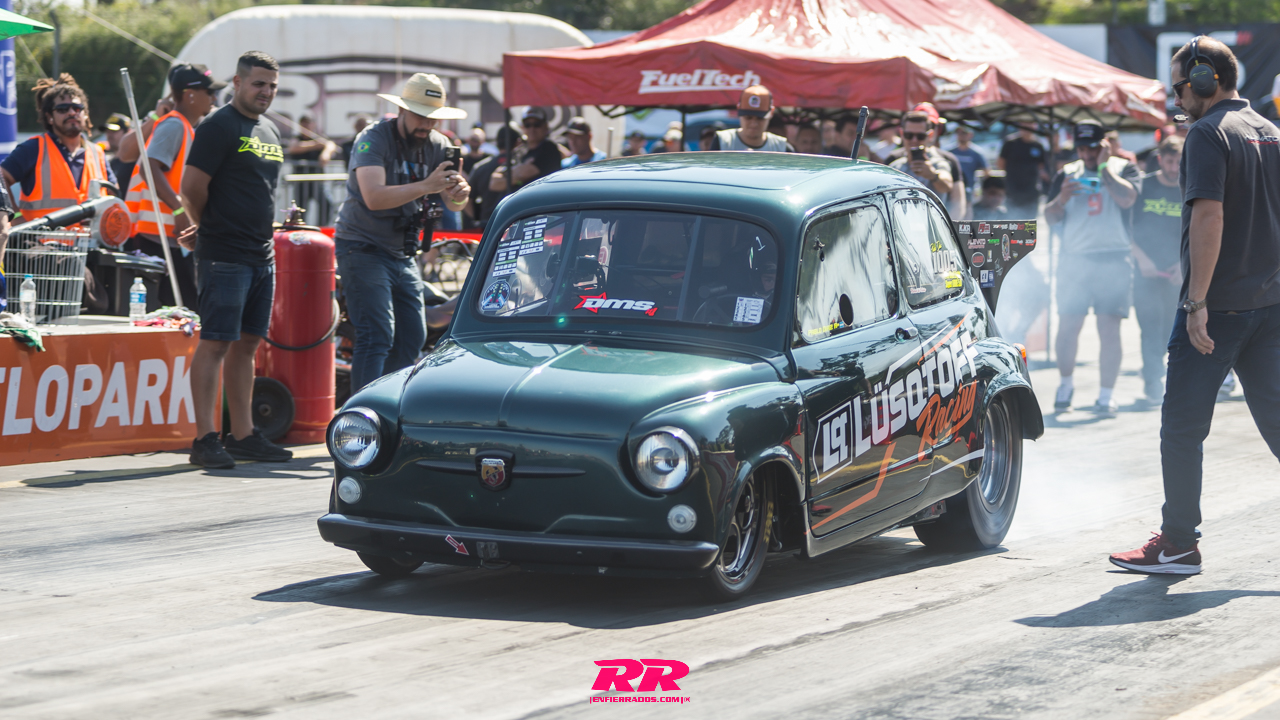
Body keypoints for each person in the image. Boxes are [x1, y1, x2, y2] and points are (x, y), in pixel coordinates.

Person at [1110, 38, 1280, 574]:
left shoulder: (1208, 133)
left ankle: (1179, 544)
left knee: (1182, 428)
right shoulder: (1269, 131)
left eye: (1180, 86)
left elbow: (1209, 216)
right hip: (1269, 306)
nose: (1177, 98)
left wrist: (1197, 301)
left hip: (1220, 308)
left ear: (1205, 79)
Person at [178, 51, 289, 468]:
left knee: (247, 346)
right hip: (224, 255)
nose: (266, 92)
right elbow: (191, 188)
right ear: (238, 83)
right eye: (259, 83)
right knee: (216, 343)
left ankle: (243, 435)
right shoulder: (217, 125)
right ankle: (205, 438)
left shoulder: (271, 130)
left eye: (272, 85)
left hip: (262, 254)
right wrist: (208, 226)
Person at [335, 73, 470, 394]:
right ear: (402, 110)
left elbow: (454, 203)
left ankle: (389, 405)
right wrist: (427, 186)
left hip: (403, 252)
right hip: (362, 246)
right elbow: (373, 197)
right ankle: (363, 414)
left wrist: (460, 193)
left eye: (433, 117)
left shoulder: (439, 145)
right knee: (376, 334)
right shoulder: (374, 138)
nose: (427, 124)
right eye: (420, 115)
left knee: (413, 335)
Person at [1044, 120, 1140, 417]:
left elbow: (1128, 200)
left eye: (1093, 148)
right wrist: (1062, 198)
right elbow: (1049, 217)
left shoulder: (1123, 168)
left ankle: (1106, 395)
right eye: (1082, 148)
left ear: (1104, 146)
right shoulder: (1067, 173)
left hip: (1114, 257)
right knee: (1068, 325)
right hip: (1075, 259)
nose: (1087, 154)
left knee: (1109, 329)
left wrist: (1104, 169)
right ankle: (1065, 385)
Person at [124, 63, 223, 308]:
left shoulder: (185, 127)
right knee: (180, 311)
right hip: (156, 240)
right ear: (189, 95)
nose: (214, 98)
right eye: (209, 92)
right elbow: (149, 167)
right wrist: (179, 210)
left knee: (184, 310)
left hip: (169, 238)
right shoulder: (174, 125)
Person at [1, 74, 117, 223]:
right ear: (49, 117)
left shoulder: (97, 153)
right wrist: (15, 217)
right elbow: (1, 177)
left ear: (85, 115)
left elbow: (114, 196)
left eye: (77, 108)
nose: (72, 112)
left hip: (90, 238)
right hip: (41, 238)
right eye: (63, 109)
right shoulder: (34, 148)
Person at [1130, 135, 1184, 406]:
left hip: (1178, 274)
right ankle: (1152, 382)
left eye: (1179, 162)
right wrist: (1142, 260)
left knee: (1170, 331)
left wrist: (1185, 264)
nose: (1174, 168)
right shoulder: (1143, 186)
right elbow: (1126, 228)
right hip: (1145, 273)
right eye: (1170, 161)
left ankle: (1158, 374)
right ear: (1160, 160)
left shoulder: (1189, 186)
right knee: (1150, 328)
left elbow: (1198, 232)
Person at [889, 111, 956, 210]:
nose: (914, 140)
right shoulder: (895, 167)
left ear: (930, 136)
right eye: (909, 135)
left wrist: (933, 175)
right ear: (902, 134)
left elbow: (947, 186)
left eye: (920, 136)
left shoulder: (938, 163)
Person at [467, 124, 520, 229]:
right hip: (516, 223)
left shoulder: (480, 167)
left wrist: (476, 219)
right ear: (518, 142)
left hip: (488, 225)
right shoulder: (522, 166)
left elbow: (467, 198)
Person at [287, 115, 337, 224]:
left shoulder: (318, 137)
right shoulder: (297, 138)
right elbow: (293, 148)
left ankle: (322, 227)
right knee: (301, 209)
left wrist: (326, 154)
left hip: (317, 181)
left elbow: (331, 145)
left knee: (326, 204)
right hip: (301, 182)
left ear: (313, 124)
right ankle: (301, 228)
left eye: (308, 123)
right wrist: (315, 145)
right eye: (303, 123)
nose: (306, 125)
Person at [711, 86, 793, 152]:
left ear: (771, 113)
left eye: (760, 118)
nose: (754, 123)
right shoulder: (722, 142)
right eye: (748, 118)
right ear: (738, 109)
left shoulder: (782, 148)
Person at [999, 124, 1050, 219]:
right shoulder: (1010, 143)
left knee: (1029, 224)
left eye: (1030, 125)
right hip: (1013, 191)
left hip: (1031, 192)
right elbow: (1001, 164)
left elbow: (1041, 166)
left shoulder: (1038, 145)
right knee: (1013, 222)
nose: (1027, 129)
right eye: (1024, 125)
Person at [506, 107, 561, 189]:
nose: (532, 129)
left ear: (545, 126)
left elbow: (524, 174)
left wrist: (509, 176)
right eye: (527, 125)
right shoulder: (519, 151)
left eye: (537, 124)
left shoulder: (549, 149)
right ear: (522, 127)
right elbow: (494, 183)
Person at [950, 125, 988, 204]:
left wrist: (980, 188)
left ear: (970, 135)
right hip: (952, 188)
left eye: (964, 133)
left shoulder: (976, 153)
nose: (961, 136)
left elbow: (986, 172)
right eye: (959, 133)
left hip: (969, 189)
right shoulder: (950, 151)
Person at [98, 113, 134, 194]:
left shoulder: (136, 160)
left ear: (128, 132)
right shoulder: (109, 162)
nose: (109, 135)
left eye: (114, 131)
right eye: (107, 131)